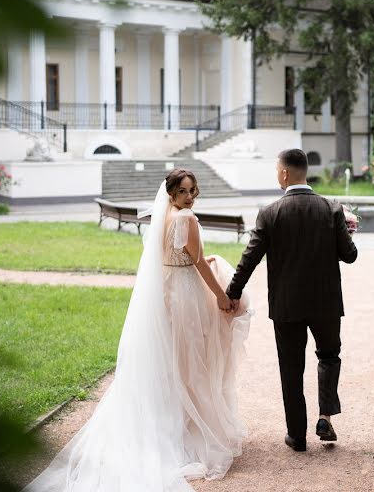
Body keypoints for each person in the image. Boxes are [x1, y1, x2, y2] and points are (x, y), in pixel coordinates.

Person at [24, 169, 251, 491]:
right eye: (184, 191)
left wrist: (200, 259)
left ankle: (175, 419)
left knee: (172, 357)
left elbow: (175, 256)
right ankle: (188, 426)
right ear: (171, 193)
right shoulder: (186, 218)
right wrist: (221, 296)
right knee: (192, 358)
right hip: (186, 291)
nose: (190, 196)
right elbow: (198, 263)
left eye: (192, 190)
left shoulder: (166, 216)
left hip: (169, 289)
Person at [226, 149, 358, 452]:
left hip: (287, 306)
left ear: (285, 174)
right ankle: (325, 415)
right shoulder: (332, 208)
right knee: (328, 356)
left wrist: (232, 292)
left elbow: (250, 259)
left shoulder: (270, 213)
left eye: (276, 170)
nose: (276, 174)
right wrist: (348, 232)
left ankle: (297, 436)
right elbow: (349, 256)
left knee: (291, 368)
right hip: (326, 303)